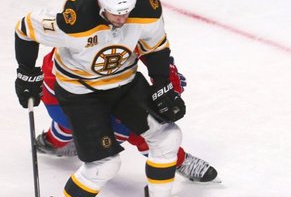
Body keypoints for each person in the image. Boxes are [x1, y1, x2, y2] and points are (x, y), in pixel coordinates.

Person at [14, 0, 207, 197]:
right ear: (101, 4)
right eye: (116, 13)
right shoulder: (75, 19)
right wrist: (27, 73)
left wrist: (162, 86)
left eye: (126, 12)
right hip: (81, 93)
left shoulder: (145, 9)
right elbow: (25, 29)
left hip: (125, 83)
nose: (122, 19)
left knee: (168, 137)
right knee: (104, 164)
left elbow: (156, 47)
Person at [37, 48, 220, 184]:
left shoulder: (123, 24)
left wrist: (166, 81)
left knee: (133, 120)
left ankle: (51, 142)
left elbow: (152, 48)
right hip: (65, 99)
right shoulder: (81, 40)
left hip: (103, 90)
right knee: (137, 128)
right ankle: (177, 160)